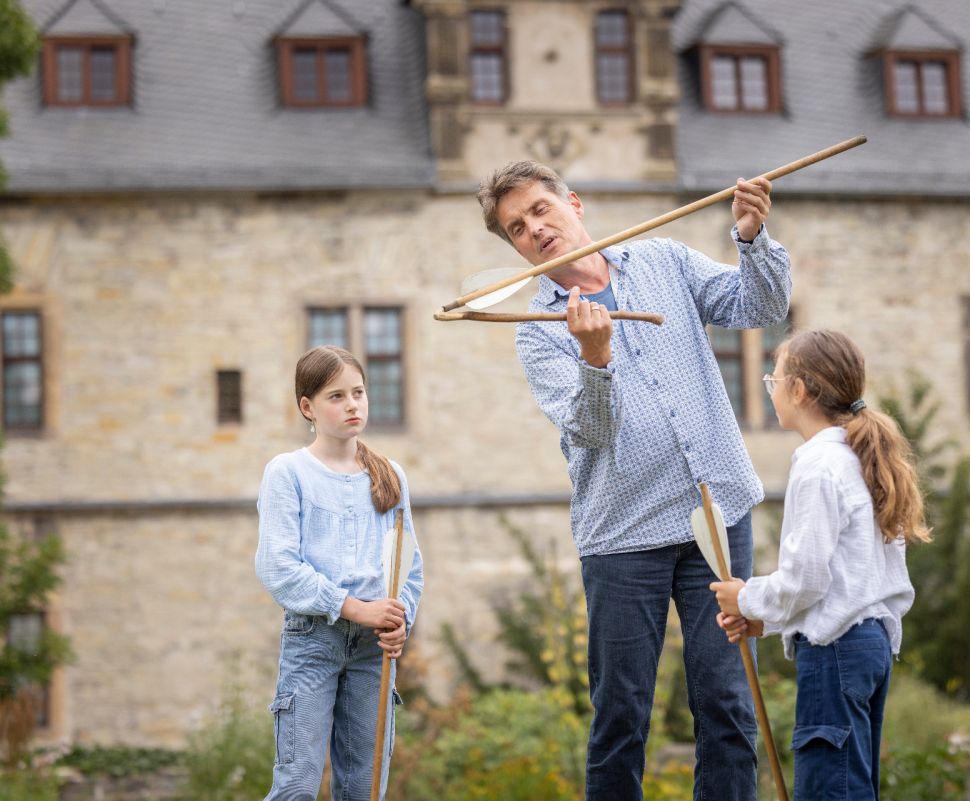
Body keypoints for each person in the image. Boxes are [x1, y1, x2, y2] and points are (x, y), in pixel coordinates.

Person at [476, 160, 792, 800]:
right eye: (516, 228)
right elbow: (589, 432)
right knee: (621, 714)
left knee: (729, 705)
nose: (535, 229)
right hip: (623, 538)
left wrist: (753, 237)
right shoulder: (537, 330)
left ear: (574, 203)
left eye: (541, 210)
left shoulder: (663, 259)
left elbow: (762, 305)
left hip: (715, 512)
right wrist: (597, 360)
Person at [710, 329, 930, 801]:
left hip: (836, 651)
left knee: (832, 789)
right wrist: (760, 621)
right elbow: (847, 580)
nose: (769, 389)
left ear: (799, 390)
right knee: (852, 786)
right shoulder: (860, 457)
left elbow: (807, 580)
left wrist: (744, 597)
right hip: (868, 646)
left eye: (774, 378)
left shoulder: (818, 466)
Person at [255, 345, 424, 801]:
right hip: (314, 641)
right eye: (336, 396)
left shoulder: (390, 475)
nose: (352, 404)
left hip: (373, 654)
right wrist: (356, 609)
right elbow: (279, 567)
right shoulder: (288, 473)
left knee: (366, 789)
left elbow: (410, 568)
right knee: (296, 785)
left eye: (359, 392)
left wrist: (396, 619)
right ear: (306, 406)